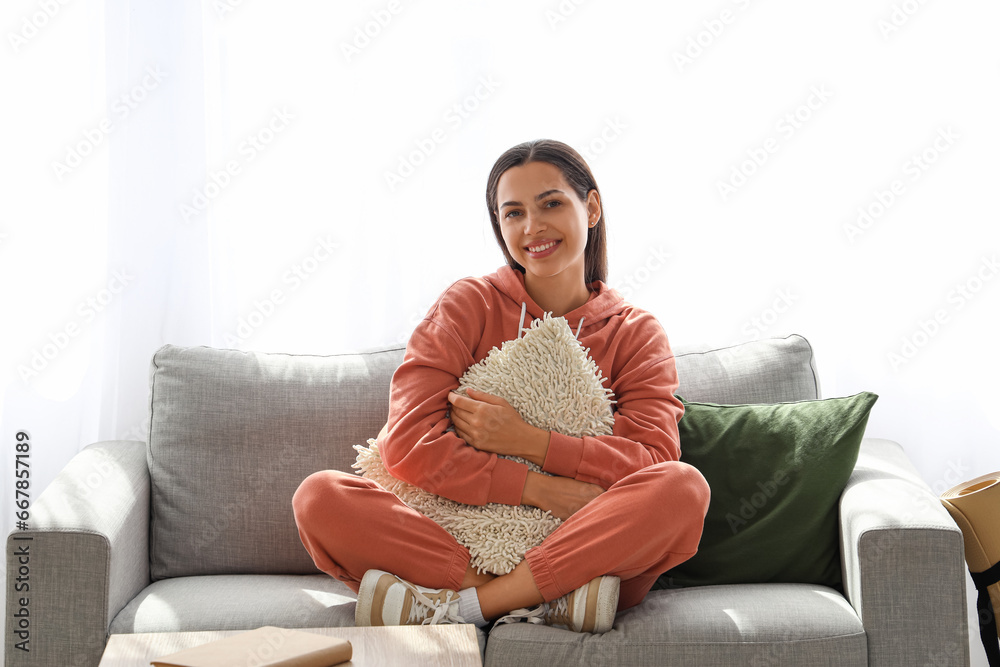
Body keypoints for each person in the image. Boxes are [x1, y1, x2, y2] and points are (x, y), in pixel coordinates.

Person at [292, 139, 710, 633]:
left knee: (683, 488)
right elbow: (409, 441)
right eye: (513, 213)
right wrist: (541, 489)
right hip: (464, 538)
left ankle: (461, 607)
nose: (532, 228)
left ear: (591, 207)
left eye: (551, 203)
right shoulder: (468, 304)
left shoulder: (635, 332)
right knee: (320, 498)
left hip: (586, 542)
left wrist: (528, 441)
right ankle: (543, 601)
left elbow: (654, 459)